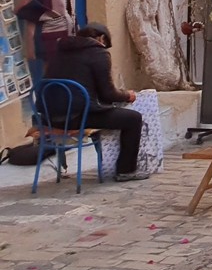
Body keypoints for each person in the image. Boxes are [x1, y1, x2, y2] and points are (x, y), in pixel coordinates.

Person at [44, 24, 149, 181]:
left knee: (104, 111)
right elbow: (108, 95)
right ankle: (126, 170)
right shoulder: (98, 53)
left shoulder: (59, 51)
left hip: (50, 117)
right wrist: (127, 96)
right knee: (133, 118)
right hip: (76, 117)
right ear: (101, 38)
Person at [16, 0, 78, 78]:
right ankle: (50, 93)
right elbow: (23, 7)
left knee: (60, 72)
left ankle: (55, 92)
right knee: (52, 73)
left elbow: (71, 8)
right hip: (51, 36)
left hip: (64, 34)